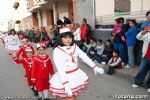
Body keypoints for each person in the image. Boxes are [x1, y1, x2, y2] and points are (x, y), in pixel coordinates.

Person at [49, 28, 104, 100]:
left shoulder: (74, 46)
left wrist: (94, 66)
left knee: (74, 96)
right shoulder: (57, 50)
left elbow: (84, 56)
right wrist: (66, 84)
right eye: (65, 37)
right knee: (69, 98)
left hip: (76, 76)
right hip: (65, 77)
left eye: (70, 37)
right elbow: (60, 69)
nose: (68, 39)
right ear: (60, 38)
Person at [132, 11, 150, 93]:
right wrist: (144, 31)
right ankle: (137, 82)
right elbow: (138, 37)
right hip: (146, 55)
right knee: (142, 70)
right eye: (149, 16)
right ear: (147, 17)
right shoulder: (146, 30)